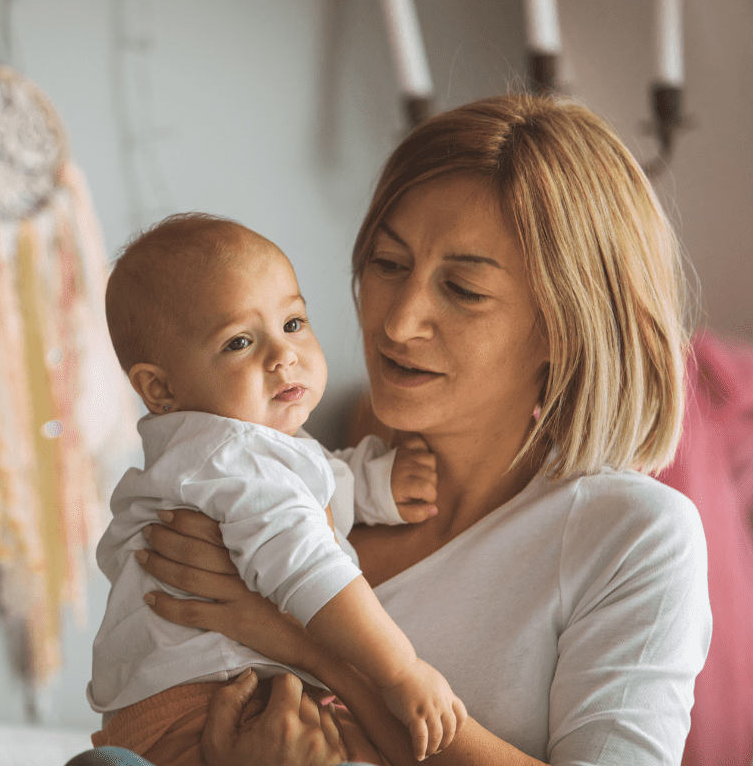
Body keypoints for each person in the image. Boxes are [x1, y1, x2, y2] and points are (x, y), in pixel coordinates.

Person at [121, 93, 711, 766]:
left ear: (563, 326)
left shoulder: (631, 535)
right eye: (388, 264)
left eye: (463, 290)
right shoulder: (305, 492)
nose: (397, 322)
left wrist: (320, 653)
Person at [87, 213, 466, 765]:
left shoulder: (216, 456)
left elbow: (303, 491)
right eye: (239, 342)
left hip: (171, 704)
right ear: (160, 387)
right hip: (208, 703)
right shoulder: (231, 456)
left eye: (293, 323)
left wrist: (374, 483)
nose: (283, 354)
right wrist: (400, 670)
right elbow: (309, 564)